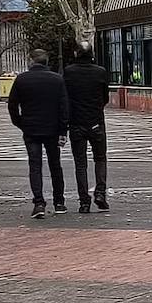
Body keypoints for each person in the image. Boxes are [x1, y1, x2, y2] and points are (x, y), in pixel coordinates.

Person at [7, 48, 69, 218]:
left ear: (31, 61)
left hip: (31, 129)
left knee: (35, 166)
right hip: (52, 129)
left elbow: (12, 105)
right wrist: (63, 130)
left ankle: (39, 203)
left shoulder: (22, 80)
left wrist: (20, 123)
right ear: (46, 61)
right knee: (55, 165)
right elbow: (64, 107)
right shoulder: (57, 80)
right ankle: (59, 202)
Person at [62, 42, 111, 214]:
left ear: (76, 54)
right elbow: (105, 97)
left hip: (76, 123)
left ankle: (84, 201)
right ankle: (100, 193)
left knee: (80, 164)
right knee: (100, 158)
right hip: (96, 121)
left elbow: (65, 98)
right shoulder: (100, 72)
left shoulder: (69, 72)